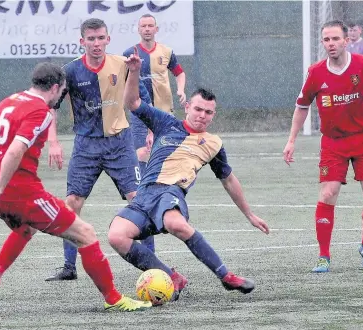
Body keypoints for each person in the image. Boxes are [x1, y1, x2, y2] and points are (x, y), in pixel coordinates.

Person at [106, 47, 270, 300]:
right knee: (116, 236)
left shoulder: (213, 143)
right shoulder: (166, 123)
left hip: (171, 192)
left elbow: (228, 180)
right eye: (198, 109)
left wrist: (249, 214)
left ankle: (226, 276)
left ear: (213, 116)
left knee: (175, 223)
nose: (202, 116)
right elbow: (133, 103)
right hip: (145, 194)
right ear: (188, 108)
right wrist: (134, 71)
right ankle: (171, 277)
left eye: (208, 112)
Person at [0, 62, 152, 312]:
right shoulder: (39, 111)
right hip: (19, 193)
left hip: (2, 192)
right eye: (63, 91)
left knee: (27, 228)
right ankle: (113, 298)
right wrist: (0, 190)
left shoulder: (8, 101)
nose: (61, 97)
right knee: (86, 234)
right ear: (54, 87)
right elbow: (14, 150)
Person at [45, 18, 151, 281]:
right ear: (82, 42)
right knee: (72, 204)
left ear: (108, 39)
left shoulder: (122, 65)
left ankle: (153, 267)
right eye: (90, 39)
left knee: (140, 203)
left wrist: (151, 130)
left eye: (100, 38)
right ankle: (69, 267)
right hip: (86, 146)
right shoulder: (69, 72)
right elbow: (51, 108)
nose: (96, 43)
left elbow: (140, 100)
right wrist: (54, 142)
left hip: (119, 144)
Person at [283, 20, 363, 273]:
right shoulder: (316, 72)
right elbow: (302, 106)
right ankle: (324, 256)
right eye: (326, 40)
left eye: (335, 39)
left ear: (346, 40)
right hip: (333, 143)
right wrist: (291, 140)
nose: (331, 44)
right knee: (327, 193)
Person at [123, 14, 187, 253]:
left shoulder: (167, 52)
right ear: (138, 29)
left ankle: (162, 194)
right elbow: (125, 84)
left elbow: (179, 73)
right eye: (143, 26)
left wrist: (181, 90)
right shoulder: (130, 53)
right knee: (142, 156)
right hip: (141, 115)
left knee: (165, 160)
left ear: (156, 29)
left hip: (165, 113)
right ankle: (145, 196)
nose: (147, 29)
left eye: (150, 25)